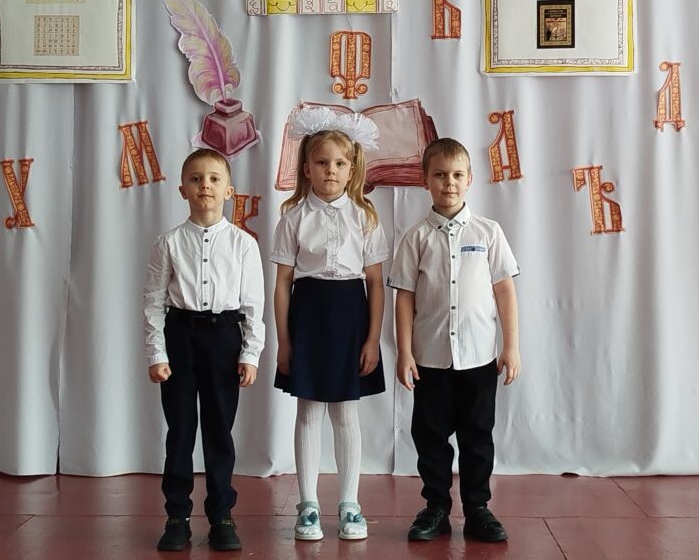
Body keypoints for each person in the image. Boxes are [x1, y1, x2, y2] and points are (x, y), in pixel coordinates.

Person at [388, 138, 520, 544]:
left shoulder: (488, 232)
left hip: (479, 358)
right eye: (440, 175)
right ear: (425, 180)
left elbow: (504, 290)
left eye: (457, 175)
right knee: (430, 437)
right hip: (430, 358)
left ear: (470, 179)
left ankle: (478, 509)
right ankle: (436, 507)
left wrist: (511, 346)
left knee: (477, 436)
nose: (449, 183)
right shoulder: (415, 238)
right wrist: (405, 352)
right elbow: (404, 297)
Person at [270, 109, 387, 542]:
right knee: (308, 410)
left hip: (351, 315)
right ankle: (308, 506)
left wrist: (372, 338)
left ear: (351, 169)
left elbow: (375, 283)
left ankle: (350, 504)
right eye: (322, 163)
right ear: (307, 169)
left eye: (339, 163)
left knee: (346, 412)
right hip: (309, 315)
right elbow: (282, 284)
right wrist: (284, 340)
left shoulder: (365, 217)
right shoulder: (293, 217)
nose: (331, 170)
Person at [143, 148, 265, 552]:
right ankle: (177, 516)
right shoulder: (168, 243)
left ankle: (221, 515)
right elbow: (153, 302)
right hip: (180, 338)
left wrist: (250, 354)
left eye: (214, 179)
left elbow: (253, 305)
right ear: (183, 190)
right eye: (195, 179)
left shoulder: (243, 244)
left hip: (224, 340)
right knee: (180, 431)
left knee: (218, 431)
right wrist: (157, 354)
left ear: (229, 190)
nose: (205, 186)